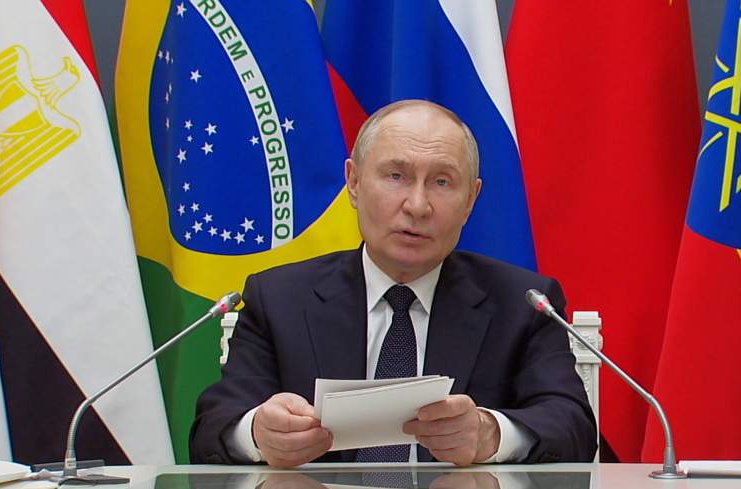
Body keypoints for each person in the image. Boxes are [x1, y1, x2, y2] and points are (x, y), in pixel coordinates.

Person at [189, 99, 597, 467]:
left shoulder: (522, 304)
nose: (417, 206)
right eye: (396, 175)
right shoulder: (279, 299)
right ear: (353, 182)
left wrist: (490, 435)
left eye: (442, 182)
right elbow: (213, 427)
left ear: (471, 200)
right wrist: (259, 434)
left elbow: (573, 427)